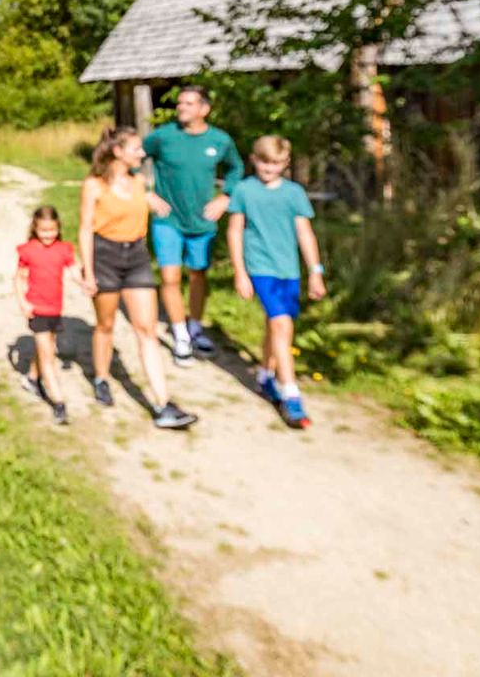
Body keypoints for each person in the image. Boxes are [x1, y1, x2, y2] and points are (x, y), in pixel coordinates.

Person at [80, 126, 197, 431]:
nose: (142, 153)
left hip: (136, 257)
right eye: (136, 148)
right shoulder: (93, 186)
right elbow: (84, 230)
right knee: (105, 324)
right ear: (117, 151)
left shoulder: (140, 183)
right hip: (105, 256)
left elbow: (147, 201)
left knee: (146, 330)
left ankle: (162, 404)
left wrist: (151, 201)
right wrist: (88, 272)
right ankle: (102, 378)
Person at [226, 134, 326, 429]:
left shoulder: (294, 193)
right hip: (260, 267)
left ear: (286, 163)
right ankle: (290, 393)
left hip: (289, 269)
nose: (269, 169)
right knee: (282, 324)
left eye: (276, 164)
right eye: (264, 163)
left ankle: (266, 376)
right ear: (254, 160)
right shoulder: (244, 190)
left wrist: (315, 270)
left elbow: (304, 233)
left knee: (278, 325)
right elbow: (234, 231)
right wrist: (239, 271)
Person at [141, 84, 243, 365]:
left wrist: (225, 197)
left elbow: (236, 167)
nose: (181, 108)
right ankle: (180, 335)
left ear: (204, 109)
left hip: (202, 221)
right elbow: (131, 158)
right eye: (180, 103)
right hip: (167, 220)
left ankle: (195, 327)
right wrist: (146, 192)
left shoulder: (220, 141)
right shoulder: (163, 136)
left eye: (188, 104)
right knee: (170, 278)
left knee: (199, 275)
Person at [13, 206, 88, 425]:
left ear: (58, 228)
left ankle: (31, 379)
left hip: (56, 309)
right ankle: (59, 402)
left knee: (44, 349)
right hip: (37, 310)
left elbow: (74, 270)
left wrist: (84, 282)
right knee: (48, 355)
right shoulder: (27, 251)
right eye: (43, 231)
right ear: (35, 228)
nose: (48, 235)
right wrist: (23, 302)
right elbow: (18, 279)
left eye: (52, 231)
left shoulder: (64, 249)